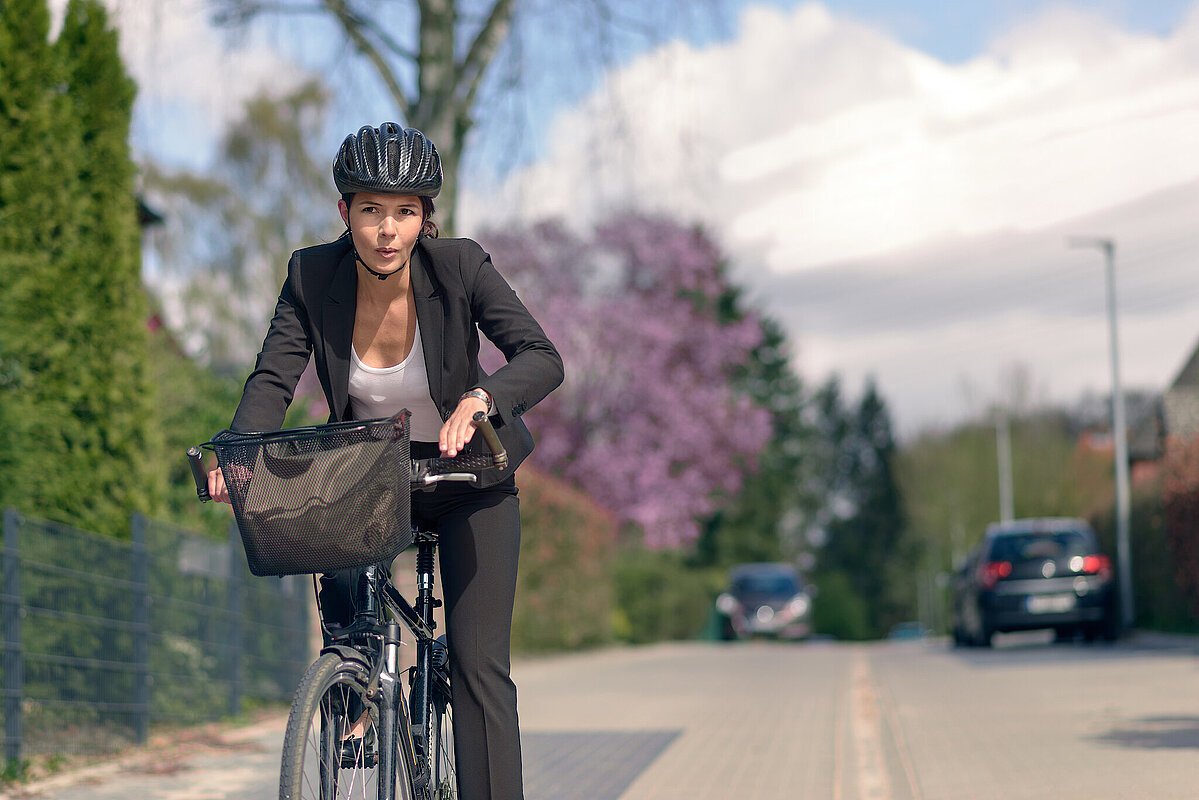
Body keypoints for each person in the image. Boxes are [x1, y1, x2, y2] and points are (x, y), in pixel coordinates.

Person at [207, 122, 563, 799]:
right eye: (370, 209)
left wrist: (483, 398)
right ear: (345, 213)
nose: (387, 229)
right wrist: (237, 456)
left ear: (426, 218)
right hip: (371, 475)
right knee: (346, 611)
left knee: (477, 663)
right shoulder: (312, 276)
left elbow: (541, 357)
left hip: (471, 481)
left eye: (404, 211)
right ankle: (353, 699)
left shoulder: (460, 267)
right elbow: (272, 381)